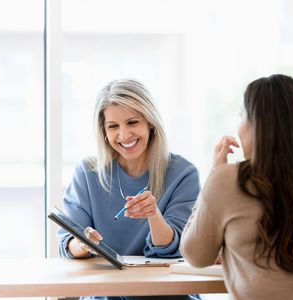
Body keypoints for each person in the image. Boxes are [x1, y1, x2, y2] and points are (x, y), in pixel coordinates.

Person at [180, 74, 293, 299]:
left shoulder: (227, 180)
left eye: (241, 115)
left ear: (258, 125)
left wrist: (214, 176)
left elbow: (196, 256)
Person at [58, 79, 200, 300]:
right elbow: (68, 243)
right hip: (105, 295)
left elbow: (175, 250)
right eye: (113, 126)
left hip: (167, 297)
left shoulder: (183, 174)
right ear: (103, 131)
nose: (124, 136)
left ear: (150, 123)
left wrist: (154, 215)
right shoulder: (87, 172)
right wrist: (84, 244)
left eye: (132, 122)